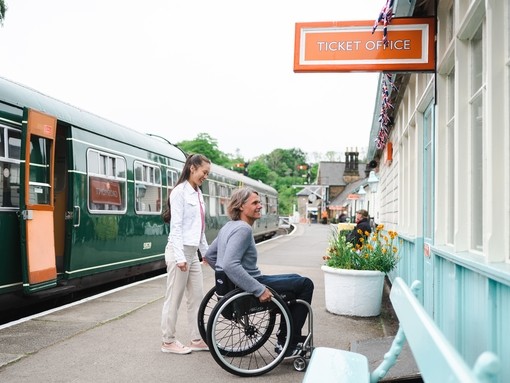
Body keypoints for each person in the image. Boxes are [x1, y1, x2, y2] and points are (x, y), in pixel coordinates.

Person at [205, 187, 314, 357]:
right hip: (251, 286)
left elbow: (211, 256)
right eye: (255, 203)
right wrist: (258, 289)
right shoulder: (243, 229)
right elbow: (229, 264)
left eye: (259, 202)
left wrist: (228, 279)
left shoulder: (228, 226)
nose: (260, 206)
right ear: (241, 206)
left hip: (242, 285)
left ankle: (286, 336)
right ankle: (288, 342)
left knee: (297, 279)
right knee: (306, 284)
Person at [161, 153, 211, 355]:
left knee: (197, 297)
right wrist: (181, 258)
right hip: (178, 252)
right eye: (204, 172)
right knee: (174, 298)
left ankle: (197, 338)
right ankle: (168, 341)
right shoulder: (179, 193)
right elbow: (177, 227)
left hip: (192, 253)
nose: (205, 176)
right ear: (192, 168)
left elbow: (200, 228)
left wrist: (206, 253)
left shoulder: (198, 193)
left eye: (207, 174)